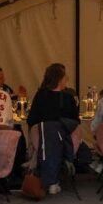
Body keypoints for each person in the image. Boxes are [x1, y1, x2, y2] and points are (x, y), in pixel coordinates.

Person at [26, 63, 79, 195]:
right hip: (64, 142)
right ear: (60, 80)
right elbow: (75, 121)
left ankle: (48, 177)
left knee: (44, 135)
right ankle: (64, 167)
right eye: (65, 77)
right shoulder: (68, 98)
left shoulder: (40, 96)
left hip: (42, 141)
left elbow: (31, 120)